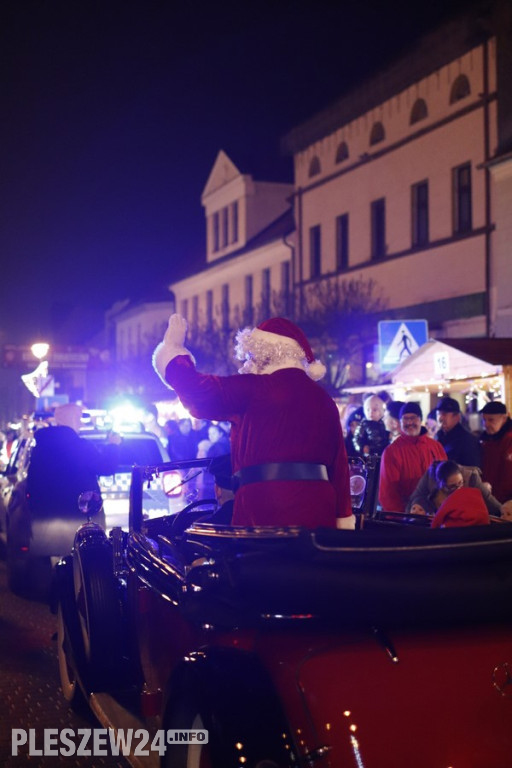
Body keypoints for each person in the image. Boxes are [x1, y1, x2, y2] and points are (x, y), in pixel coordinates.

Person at [153, 314, 354, 529]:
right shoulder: (323, 399)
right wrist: (343, 517)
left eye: (252, 355)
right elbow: (339, 466)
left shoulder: (255, 388)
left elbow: (198, 392)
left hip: (264, 508)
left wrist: (173, 352)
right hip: (319, 510)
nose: (248, 363)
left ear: (264, 353)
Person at [26, 403, 121, 516]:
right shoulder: (81, 447)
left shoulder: (41, 447)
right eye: (78, 418)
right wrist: (113, 445)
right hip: (79, 514)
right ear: (72, 419)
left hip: (45, 514)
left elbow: (33, 478)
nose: (81, 424)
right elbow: (106, 467)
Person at [378, 401, 447, 513]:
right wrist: (402, 517)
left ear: (420, 420)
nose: (409, 422)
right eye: (405, 419)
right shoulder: (391, 452)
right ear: (400, 422)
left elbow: (445, 479)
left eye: (413, 418)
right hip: (407, 514)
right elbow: (387, 493)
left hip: (434, 514)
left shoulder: (436, 447)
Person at [407, 459, 502, 518]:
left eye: (460, 483)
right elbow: (415, 499)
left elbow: (491, 503)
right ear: (441, 484)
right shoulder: (430, 477)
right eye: (452, 486)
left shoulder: (471, 478)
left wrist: (506, 514)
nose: (458, 489)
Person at [480, 401, 512, 504]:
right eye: (484, 420)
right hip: (489, 499)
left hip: (506, 502)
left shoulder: (509, 440)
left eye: (491, 420)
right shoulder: (485, 439)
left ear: (504, 418)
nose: (486, 424)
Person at [435, 397, 481, 467]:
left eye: (444, 414)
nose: (440, 418)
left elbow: (472, 470)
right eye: (438, 414)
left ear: (457, 417)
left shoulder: (467, 441)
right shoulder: (437, 437)